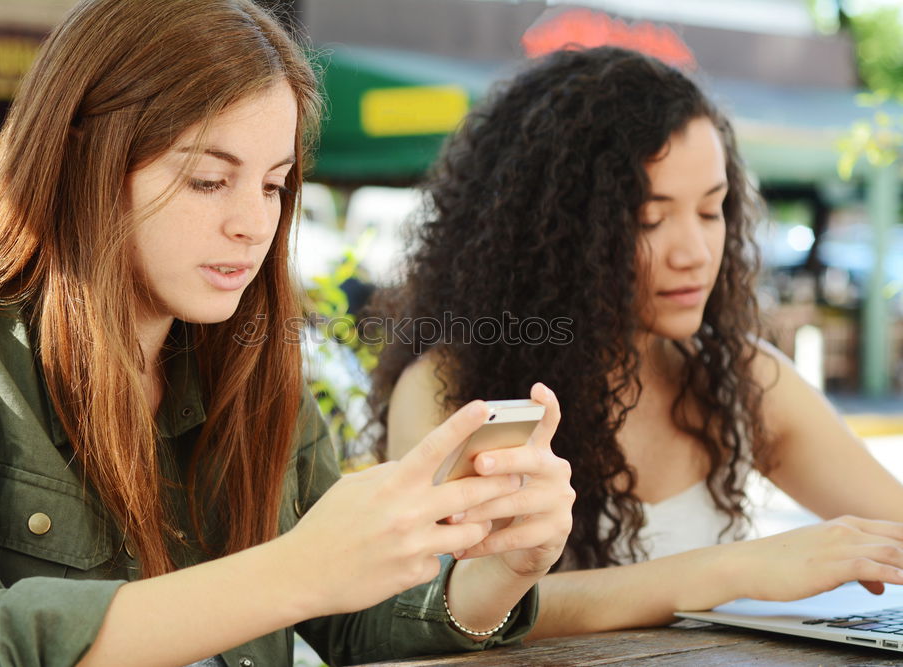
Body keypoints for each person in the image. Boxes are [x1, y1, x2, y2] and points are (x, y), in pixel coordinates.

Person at [0, 2, 575, 666]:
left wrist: (499, 570)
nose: (253, 223)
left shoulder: (247, 363)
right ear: (87, 164)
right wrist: (294, 572)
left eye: (274, 184)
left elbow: (354, 616)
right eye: (208, 179)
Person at [371, 45, 903, 638]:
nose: (694, 253)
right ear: (557, 233)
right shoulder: (450, 392)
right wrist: (735, 569)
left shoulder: (739, 376)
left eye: (711, 210)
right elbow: (431, 612)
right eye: (650, 220)